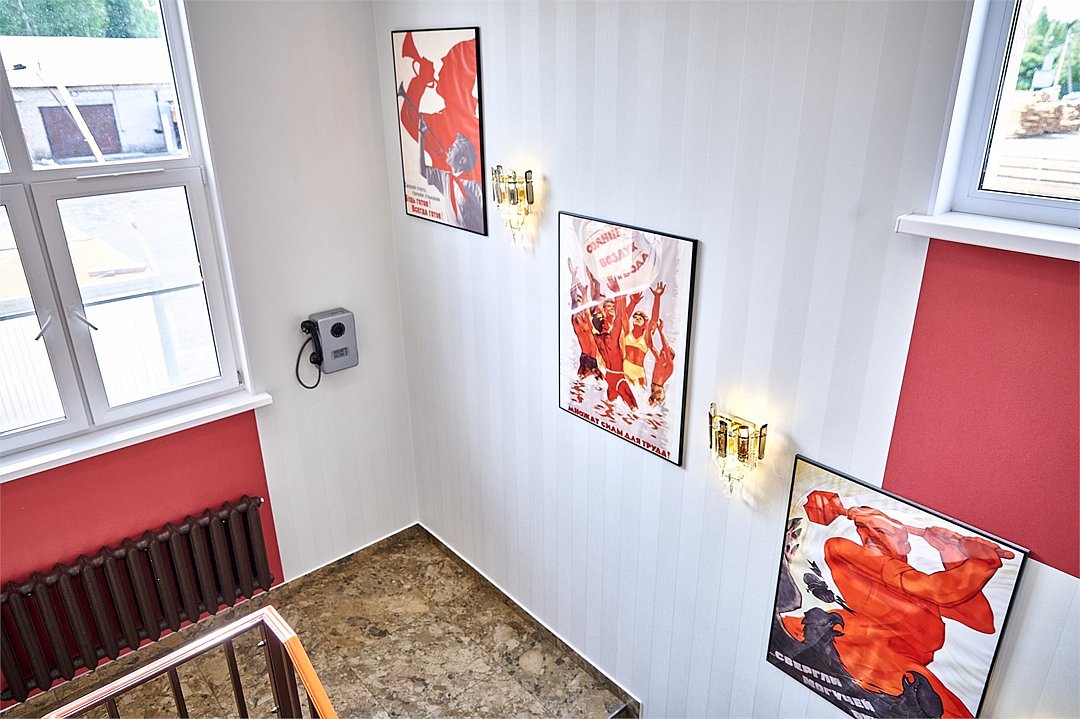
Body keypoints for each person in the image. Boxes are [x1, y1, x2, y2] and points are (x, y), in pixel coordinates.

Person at [782, 491, 1015, 718]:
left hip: (901, 663)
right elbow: (940, 590)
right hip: (868, 649)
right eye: (869, 531)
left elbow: (982, 620)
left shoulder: (911, 585)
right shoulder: (847, 552)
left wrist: (952, 554)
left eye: (898, 536)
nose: (872, 536)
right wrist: (983, 561)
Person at [567, 258, 601, 380]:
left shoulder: (586, 316)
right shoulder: (576, 319)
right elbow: (574, 298)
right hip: (587, 357)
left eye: (581, 301)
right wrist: (573, 276)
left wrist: (584, 293)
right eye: (579, 301)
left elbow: (584, 300)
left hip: (591, 358)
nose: (580, 303)